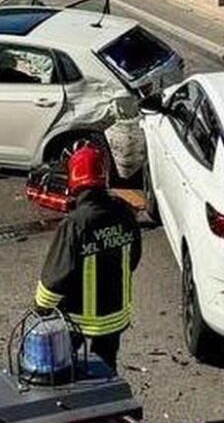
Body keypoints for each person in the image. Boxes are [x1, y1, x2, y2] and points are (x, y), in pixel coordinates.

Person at [34, 144, 141, 372]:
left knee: (65, 368)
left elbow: (56, 276)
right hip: (115, 317)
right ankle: (110, 402)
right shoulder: (124, 213)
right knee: (106, 367)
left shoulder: (75, 224)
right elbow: (134, 258)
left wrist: (41, 306)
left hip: (78, 320)